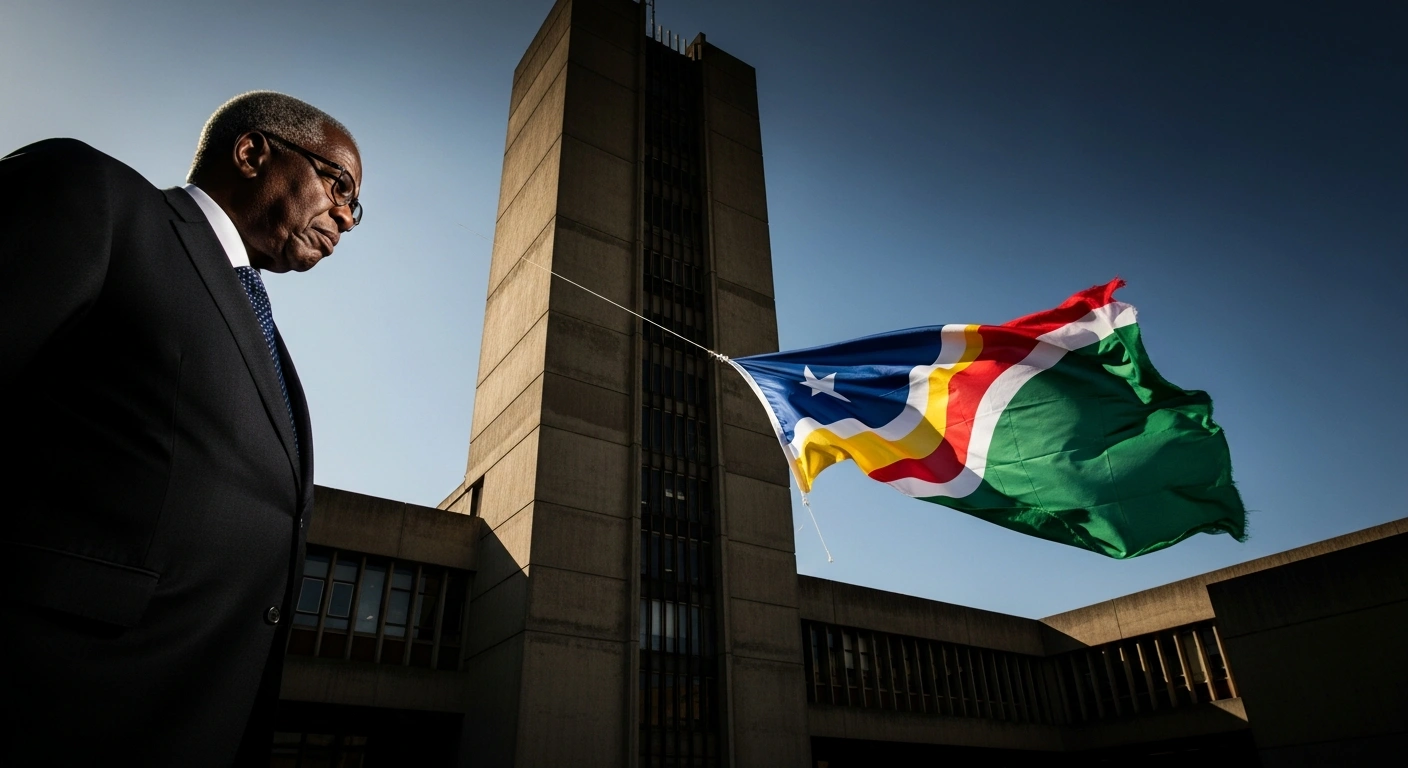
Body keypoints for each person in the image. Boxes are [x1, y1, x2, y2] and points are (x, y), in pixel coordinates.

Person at [0, 91, 362, 765]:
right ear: (253, 152)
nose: (346, 214)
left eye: (354, 204)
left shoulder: (265, 335)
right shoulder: (95, 196)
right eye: (337, 183)